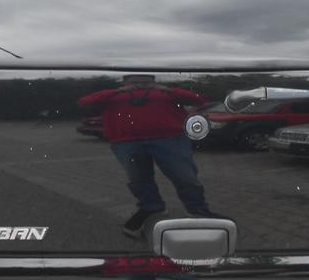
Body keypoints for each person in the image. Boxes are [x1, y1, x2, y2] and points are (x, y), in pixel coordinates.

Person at [78, 75, 211, 238]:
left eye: (146, 81)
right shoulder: (114, 95)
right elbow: (85, 102)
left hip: (170, 139)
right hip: (126, 142)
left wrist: (169, 89)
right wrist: (117, 91)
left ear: (154, 81)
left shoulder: (167, 93)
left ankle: (197, 209)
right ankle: (151, 207)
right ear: (125, 82)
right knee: (138, 179)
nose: (140, 84)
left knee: (185, 176)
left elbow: (200, 101)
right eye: (134, 81)